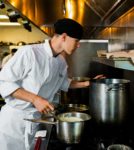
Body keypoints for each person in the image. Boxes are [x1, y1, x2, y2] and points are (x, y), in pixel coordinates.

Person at [0, 18, 105, 150]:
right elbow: (4, 82)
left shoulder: (60, 61)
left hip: (36, 120)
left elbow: (64, 82)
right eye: (77, 41)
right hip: (14, 122)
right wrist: (36, 99)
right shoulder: (30, 53)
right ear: (64, 37)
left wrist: (86, 83)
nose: (78, 45)